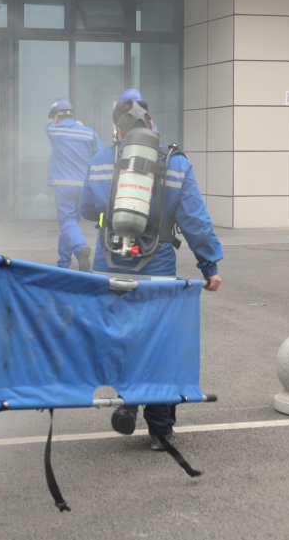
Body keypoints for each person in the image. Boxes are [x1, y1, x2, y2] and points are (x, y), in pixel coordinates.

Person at [79, 90, 223, 452]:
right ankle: (160, 430)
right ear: (151, 123)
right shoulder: (176, 163)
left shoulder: (101, 160)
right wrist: (209, 265)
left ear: (118, 129)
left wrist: (110, 214)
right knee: (160, 345)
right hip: (157, 272)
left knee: (121, 339)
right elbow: (196, 222)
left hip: (109, 272)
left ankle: (128, 399)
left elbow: (85, 209)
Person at [46, 98, 104, 271]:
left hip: (64, 185)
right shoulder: (89, 133)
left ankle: (80, 249)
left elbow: (51, 127)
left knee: (66, 221)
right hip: (84, 185)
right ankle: (63, 262)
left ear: (56, 116)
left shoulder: (53, 130)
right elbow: (100, 154)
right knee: (71, 224)